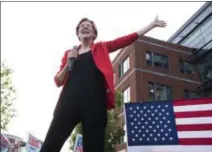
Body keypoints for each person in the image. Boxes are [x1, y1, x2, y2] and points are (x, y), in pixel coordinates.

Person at [40, 16, 167, 152]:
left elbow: (124, 40)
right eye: (81, 26)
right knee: (49, 146)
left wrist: (151, 25)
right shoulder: (69, 53)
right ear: (78, 34)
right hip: (67, 105)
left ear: (94, 34)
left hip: (94, 106)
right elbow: (58, 81)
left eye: (89, 25)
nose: (85, 26)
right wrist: (68, 63)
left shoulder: (102, 48)